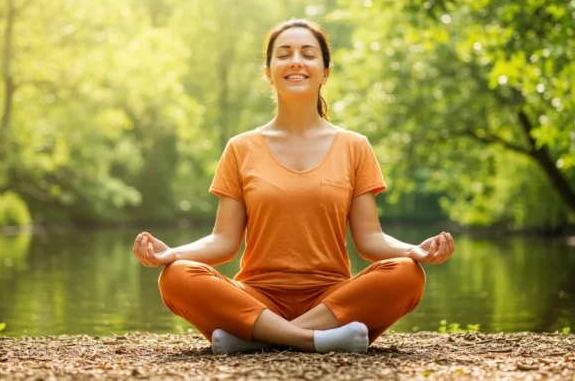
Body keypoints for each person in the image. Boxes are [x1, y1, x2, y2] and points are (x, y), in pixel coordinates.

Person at [132, 19, 455, 355]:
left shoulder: (355, 146)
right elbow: (223, 242)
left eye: (308, 54)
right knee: (176, 277)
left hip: (331, 300)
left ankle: (257, 337)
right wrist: (173, 254)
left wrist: (413, 251)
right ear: (269, 72)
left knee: (407, 275)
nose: (296, 61)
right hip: (257, 296)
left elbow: (370, 240)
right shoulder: (240, 148)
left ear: (325, 72)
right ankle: (313, 340)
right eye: (284, 54)